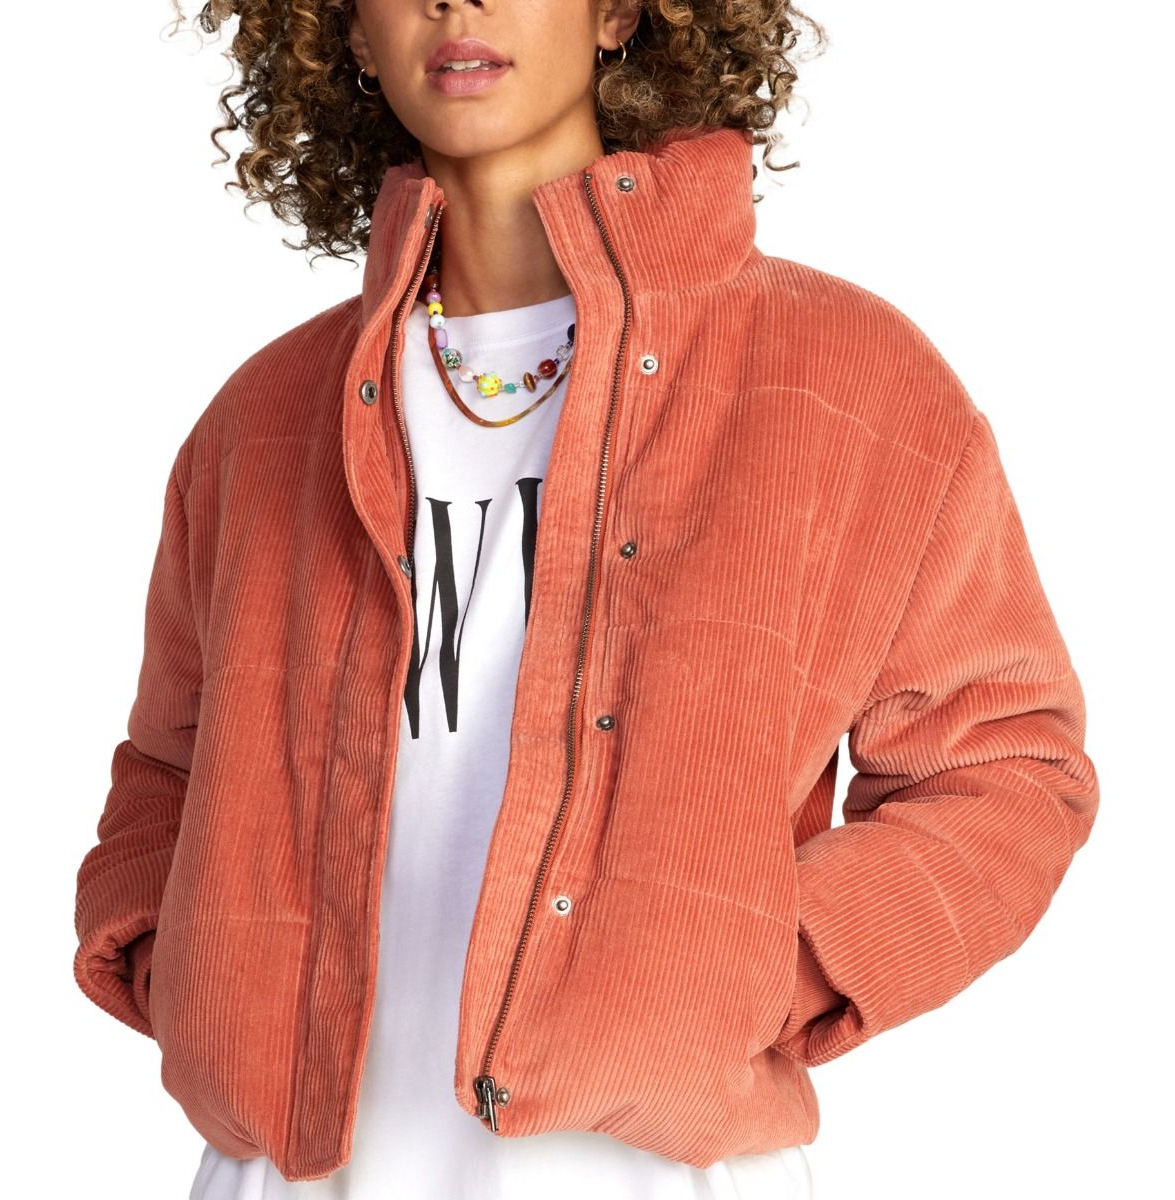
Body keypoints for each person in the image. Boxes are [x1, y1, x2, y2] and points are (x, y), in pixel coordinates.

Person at [71, 0, 1100, 1197]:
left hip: (650, 1173)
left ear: (619, 11)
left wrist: (761, 965)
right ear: (345, 32)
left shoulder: (846, 379)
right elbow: (168, 770)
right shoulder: (265, 417)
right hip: (283, 1178)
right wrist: (188, 975)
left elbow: (1009, 769)